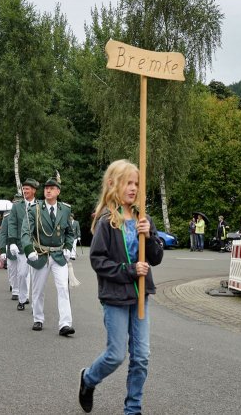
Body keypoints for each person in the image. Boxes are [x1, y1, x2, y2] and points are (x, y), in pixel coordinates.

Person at [79, 159, 157, 415]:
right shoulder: (106, 221)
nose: (133, 188)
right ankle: (89, 379)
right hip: (115, 297)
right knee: (115, 355)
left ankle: (133, 408)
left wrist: (151, 235)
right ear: (113, 184)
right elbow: (98, 261)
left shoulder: (142, 217)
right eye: (128, 183)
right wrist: (130, 270)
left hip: (140, 296)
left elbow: (155, 258)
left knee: (141, 356)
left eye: (136, 183)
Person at [21, 177, 75, 335]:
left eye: (52, 188)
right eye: (46, 188)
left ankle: (65, 323)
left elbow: (69, 233)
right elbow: (26, 231)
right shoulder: (35, 209)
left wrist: (68, 247)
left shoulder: (65, 209)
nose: (48, 190)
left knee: (63, 288)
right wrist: (29, 249)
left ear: (58, 191)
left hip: (58, 255)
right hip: (40, 254)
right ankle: (38, 318)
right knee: (38, 289)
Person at [8, 179, 39, 311]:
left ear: (34, 190)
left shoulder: (40, 205)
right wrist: (12, 242)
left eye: (27, 189)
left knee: (37, 277)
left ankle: (36, 305)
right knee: (22, 274)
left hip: (38, 247)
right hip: (21, 246)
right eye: (24, 189)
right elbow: (12, 224)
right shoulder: (17, 206)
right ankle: (22, 298)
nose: (25, 191)